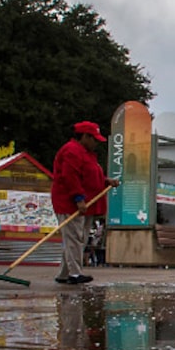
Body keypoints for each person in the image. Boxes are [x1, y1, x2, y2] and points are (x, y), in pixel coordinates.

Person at [51, 121, 118, 285]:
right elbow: (70, 177)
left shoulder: (86, 154)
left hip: (87, 203)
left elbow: (88, 177)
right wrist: (78, 198)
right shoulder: (71, 151)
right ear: (85, 136)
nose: (96, 143)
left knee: (77, 238)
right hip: (70, 203)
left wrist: (105, 181)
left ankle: (64, 274)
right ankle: (74, 274)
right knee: (73, 238)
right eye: (94, 139)